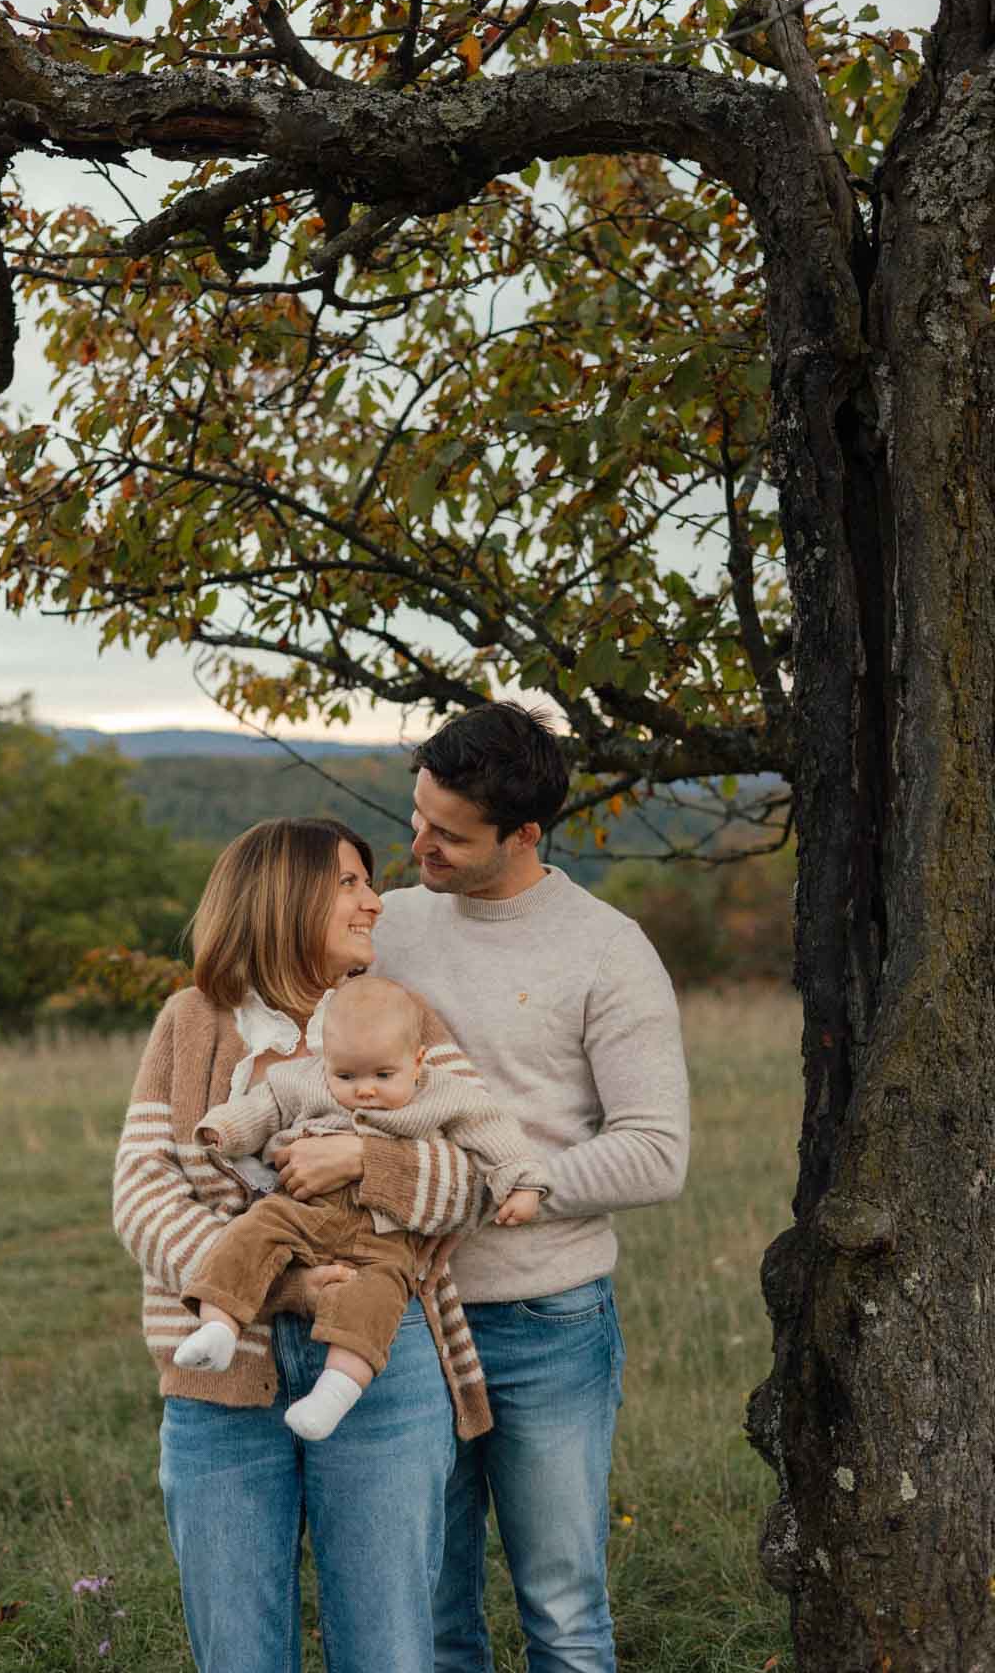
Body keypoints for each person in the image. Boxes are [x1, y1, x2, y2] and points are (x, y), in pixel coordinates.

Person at [111, 817, 491, 1673]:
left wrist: (369, 1159)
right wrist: (276, 1284)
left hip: (379, 1368)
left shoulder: (401, 1016)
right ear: (284, 898)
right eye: (351, 882)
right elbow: (141, 1194)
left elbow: (474, 1179)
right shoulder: (191, 1025)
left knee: (389, 1648)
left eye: (369, 881)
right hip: (218, 1373)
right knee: (239, 1653)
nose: (374, 900)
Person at [370, 701, 690, 1673]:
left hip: (547, 1320)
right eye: (416, 815)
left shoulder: (606, 949)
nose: (417, 844)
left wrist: (500, 1185)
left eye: (447, 834)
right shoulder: (386, 926)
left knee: (561, 1612)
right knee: (427, 1614)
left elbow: (655, 1150)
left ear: (522, 834)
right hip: (408, 1314)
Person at [176, 975, 548, 1441]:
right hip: (304, 1209)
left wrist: (524, 1185)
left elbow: (495, 1135)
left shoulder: (444, 1092)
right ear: (325, 1060)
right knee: (251, 1233)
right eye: (346, 1076)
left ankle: (335, 1392)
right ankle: (220, 1325)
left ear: (416, 1063)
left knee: (377, 1296)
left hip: (387, 1232)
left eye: (382, 1076)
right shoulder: (303, 1079)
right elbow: (264, 1106)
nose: (364, 1091)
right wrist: (225, 1130)